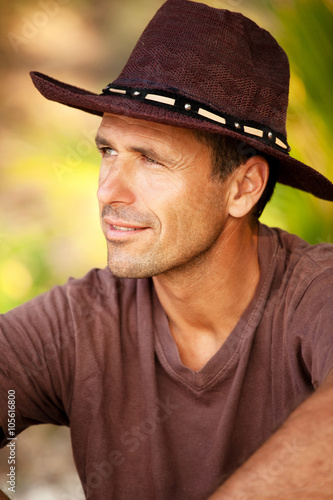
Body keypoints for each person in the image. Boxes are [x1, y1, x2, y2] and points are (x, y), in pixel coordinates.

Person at [1, 0, 333, 498]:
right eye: (108, 151)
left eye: (151, 160)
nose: (109, 191)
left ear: (242, 188)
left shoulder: (315, 294)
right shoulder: (78, 321)